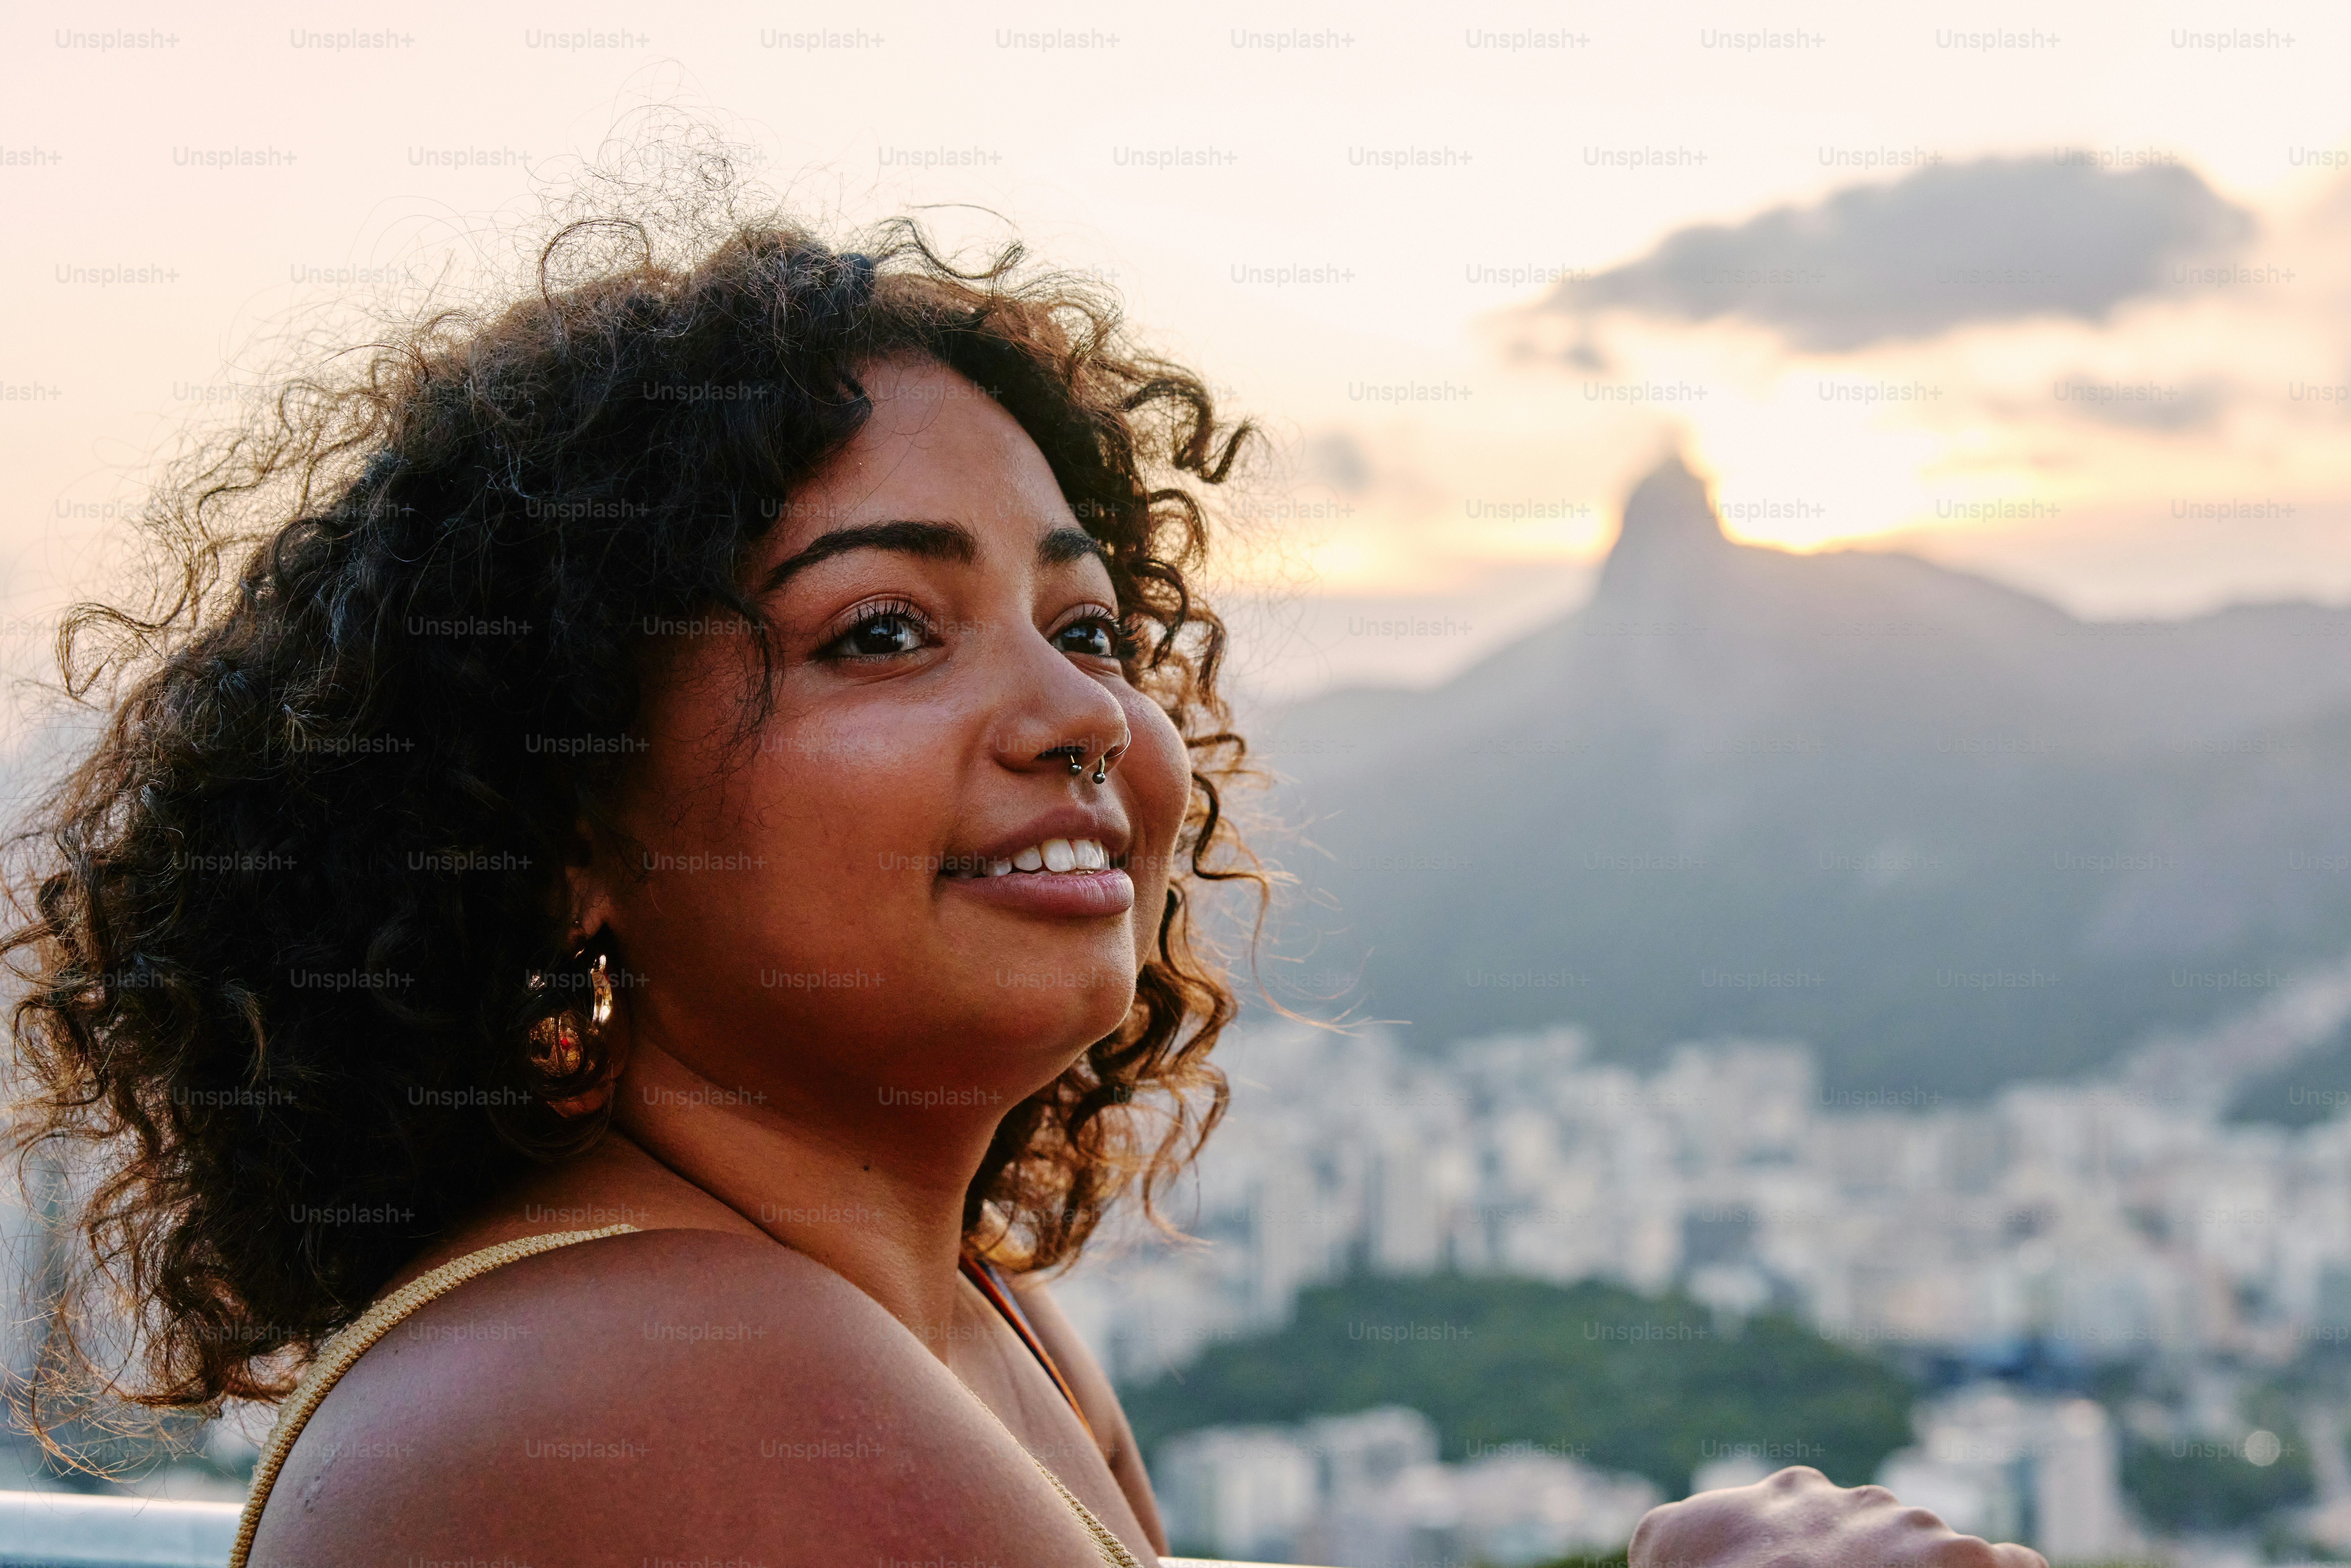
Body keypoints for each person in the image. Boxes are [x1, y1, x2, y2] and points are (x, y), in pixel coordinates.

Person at [3, 197, 2045, 1568]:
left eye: (1089, 630)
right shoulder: (663, 1375)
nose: (1080, 715)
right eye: (884, 631)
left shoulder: (956, 1319)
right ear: (561, 832)